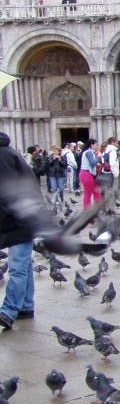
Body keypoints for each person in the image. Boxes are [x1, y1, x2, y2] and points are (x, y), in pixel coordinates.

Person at [0, 132, 40, 329]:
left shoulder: (2, 157)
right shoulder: (9, 153)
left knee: (16, 266)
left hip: (18, 219)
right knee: (23, 265)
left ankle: (8, 311)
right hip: (25, 217)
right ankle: (25, 305)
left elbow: (6, 195)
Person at [79, 138, 103, 209]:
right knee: (88, 193)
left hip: (88, 174)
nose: (97, 146)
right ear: (91, 145)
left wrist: (97, 163)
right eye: (96, 145)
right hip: (86, 174)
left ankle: (97, 208)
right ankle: (87, 210)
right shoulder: (89, 152)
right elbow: (92, 163)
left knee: (97, 191)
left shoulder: (89, 152)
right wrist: (98, 158)